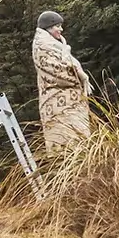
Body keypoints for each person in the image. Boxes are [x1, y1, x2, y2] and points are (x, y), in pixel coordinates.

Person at [31, 10, 92, 156]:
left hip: (67, 104)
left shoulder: (53, 44)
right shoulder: (42, 46)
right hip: (59, 106)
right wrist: (78, 75)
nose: (61, 29)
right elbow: (57, 72)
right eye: (57, 26)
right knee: (66, 145)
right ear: (49, 27)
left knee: (78, 145)